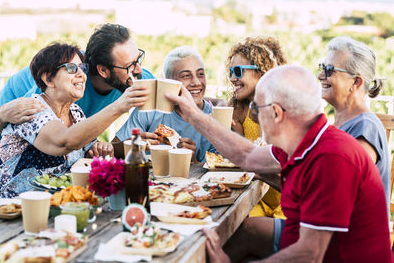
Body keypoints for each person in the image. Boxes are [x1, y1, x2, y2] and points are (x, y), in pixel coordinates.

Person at [165, 65, 392, 262]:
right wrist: (194, 115)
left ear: (275, 113)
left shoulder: (332, 159)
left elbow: (308, 255)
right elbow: (247, 156)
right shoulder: (305, 140)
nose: (254, 116)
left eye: (256, 108)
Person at [0, 43, 149, 199]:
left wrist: (137, 144)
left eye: (82, 68)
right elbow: (64, 142)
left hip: (55, 204)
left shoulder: (76, 113)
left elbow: (90, 153)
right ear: (48, 78)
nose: (82, 74)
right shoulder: (32, 109)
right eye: (72, 68)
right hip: (10, 208)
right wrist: (119, 106)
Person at [0, 23, 155, 135]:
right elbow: (6, 123)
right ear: (103, 70)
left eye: (138, 59)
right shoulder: (63, 85)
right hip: (17, 98)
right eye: (130, 66)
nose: (139, 69)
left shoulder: (134, 75)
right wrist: (0, 115)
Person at [318, 36, 390, 214]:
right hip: (327, 229)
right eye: (322, 67)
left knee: (246, 231)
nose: (320, 75)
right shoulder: (341, 124)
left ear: (356, 82)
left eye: (329, 70)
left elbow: (338, 194)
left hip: (348, 238)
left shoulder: (365, 128)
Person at [112, 45, 218, 162]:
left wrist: (193, 162)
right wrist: (134, 144)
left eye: (200, 74)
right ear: (169, 82)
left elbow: (222, 171)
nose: (196, 82)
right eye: (186, 76)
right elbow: (113, 148)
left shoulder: (215, 118)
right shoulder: (150, 109)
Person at [227, 36, 286, 219]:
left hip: (286, 202)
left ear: (262, 72)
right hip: (255, 200)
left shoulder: (284, 112)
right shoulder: (239, 109)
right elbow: (243, 162)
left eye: (238, 71)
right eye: (230, 72)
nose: (232, 78)